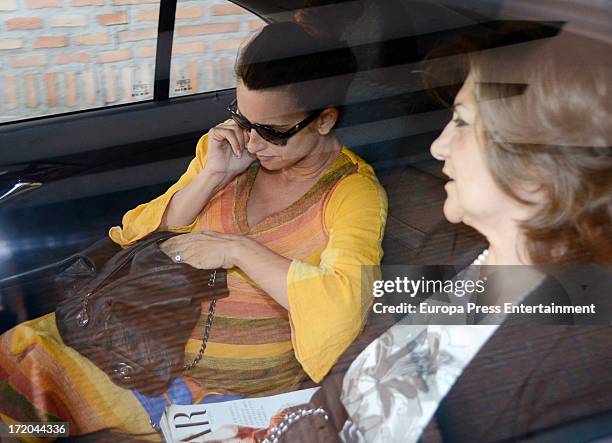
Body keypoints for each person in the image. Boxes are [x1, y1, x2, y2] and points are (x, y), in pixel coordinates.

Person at [0, 22, 387, 438]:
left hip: (230, 393)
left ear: (325, 120)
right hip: (138, 350)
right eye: (243, 118)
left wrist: (238, 251)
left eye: (273, 131)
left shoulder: (354, 196)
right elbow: (134, 236)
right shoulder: (226, 153)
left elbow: (343, 310)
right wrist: (211, 178)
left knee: (29, 419)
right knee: (19, 379)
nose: (253, 143)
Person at [256, 25, 612, 443]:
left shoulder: (582, 357)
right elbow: (349, 375)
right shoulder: (454, 244)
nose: (438, 146)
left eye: (462, 123)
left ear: (537, 168)